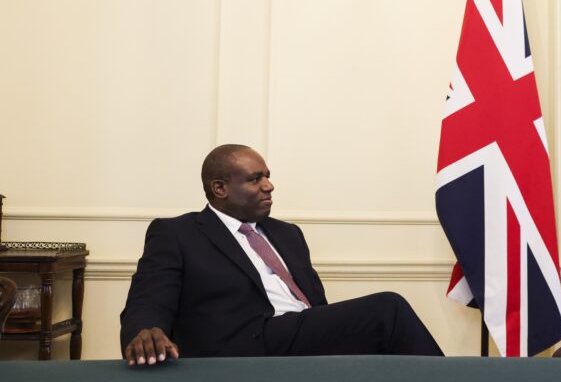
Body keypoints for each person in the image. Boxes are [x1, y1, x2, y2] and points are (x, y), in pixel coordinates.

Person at [120, 144, 443, 365]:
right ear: (220, 188)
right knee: (388, 309)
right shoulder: (178, 233)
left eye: (268, 175)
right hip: (241, 345)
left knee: (384, 348)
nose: (269, 185)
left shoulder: (287, 233)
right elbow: (148, 299)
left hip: (297, 336)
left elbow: (316, 306)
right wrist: (145, 331)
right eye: (255, 178)